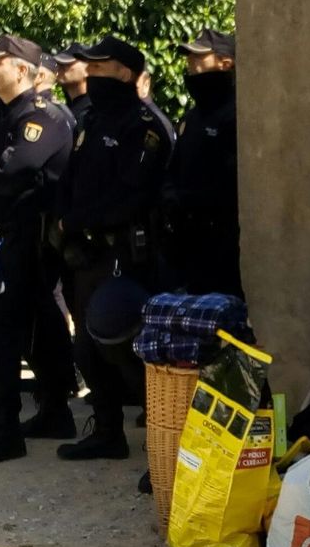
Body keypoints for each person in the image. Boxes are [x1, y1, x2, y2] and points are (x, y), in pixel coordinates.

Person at [53, 36, 172, 460]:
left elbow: (133, 195)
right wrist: (65, 222)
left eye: (98, 69)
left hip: (125, 253)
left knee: (126, 346)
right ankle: (107, 432)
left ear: (124, 72)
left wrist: (81, 220)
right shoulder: (91, 120)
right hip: (88, 254)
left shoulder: (143, 126)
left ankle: (161, 443)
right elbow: (71, 178)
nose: (89, 75)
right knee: (87, 345)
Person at [0, 35, 77, 465]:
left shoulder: (41, 116)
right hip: (8, 233)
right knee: (40, 327)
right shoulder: (4, 116)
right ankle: (54, 411)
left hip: (33, 238)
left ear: (23, 70)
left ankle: (6, 426)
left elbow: (15, 167)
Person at [160, 27, 239, 299]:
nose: (190, 66)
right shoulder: (192, 117)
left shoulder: (236, 114)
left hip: (223, 243)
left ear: (225, 63)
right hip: (187, 242)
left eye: (198, 59)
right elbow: (175, 166)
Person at [53, 44, 91, 127]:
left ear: (88, 69)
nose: (60, 67)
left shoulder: (93, 112)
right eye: (59, 63)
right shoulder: (66, 108)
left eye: (67, 63)